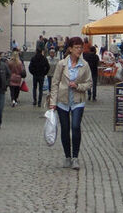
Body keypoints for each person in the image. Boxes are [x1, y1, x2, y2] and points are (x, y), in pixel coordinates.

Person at [48, 36, 93, 170]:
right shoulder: (62, 64)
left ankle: (75, 157)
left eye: (81, 47)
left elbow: (89, 83)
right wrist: (53, 102)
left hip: (78, 101)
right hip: (62, 101)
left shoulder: (84, 65)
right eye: (77, 47)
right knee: (65, 129)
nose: (79, 50)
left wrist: (78, 86)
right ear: (70, 49)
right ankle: (67, 156)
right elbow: (55, 83)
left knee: (75, 126)